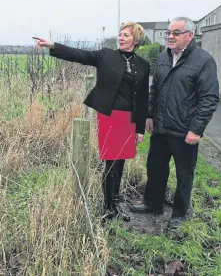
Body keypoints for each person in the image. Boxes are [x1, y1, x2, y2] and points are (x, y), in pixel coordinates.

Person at [33, 22, 150, 222]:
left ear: (136, 40)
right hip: (110, 116)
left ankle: (114, 203)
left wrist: (140, 128)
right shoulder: (106, 55)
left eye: (126, 35)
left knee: (120, 163)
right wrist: (53, 45)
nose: (121, 38)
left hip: (128, 120)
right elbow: (80, 55)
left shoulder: (143, 65)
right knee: (111, 163)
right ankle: (108, 208)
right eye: (120, 34)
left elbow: (142, 99)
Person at [129, 17, 220, 230]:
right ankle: (153, 204)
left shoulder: (203, 60)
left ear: (190, 35)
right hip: (160, 127)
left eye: (176, 33)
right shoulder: (163, 57)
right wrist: (150, 115)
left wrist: (196, 129)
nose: (170, 36)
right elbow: (155, 89)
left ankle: (179, 214)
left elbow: (209, 98)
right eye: (168, 33)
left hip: (184, 131)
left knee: (184, 174)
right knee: (156, 168)